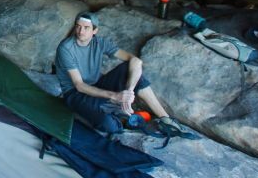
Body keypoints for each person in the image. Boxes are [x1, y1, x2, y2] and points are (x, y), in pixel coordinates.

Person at [55, 12, 189, 135]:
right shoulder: (66, 48)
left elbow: (136, 61)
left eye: (86, 28)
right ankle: (123, 119)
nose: (80, 31)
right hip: (75, 94)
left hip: (97, 85)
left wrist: (129, 91)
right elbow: (79, 85)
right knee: (109, 125)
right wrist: (115, 95)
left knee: (130, 69)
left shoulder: (100, 43)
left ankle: (165, 119)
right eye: (78, 26)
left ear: (95, 30)